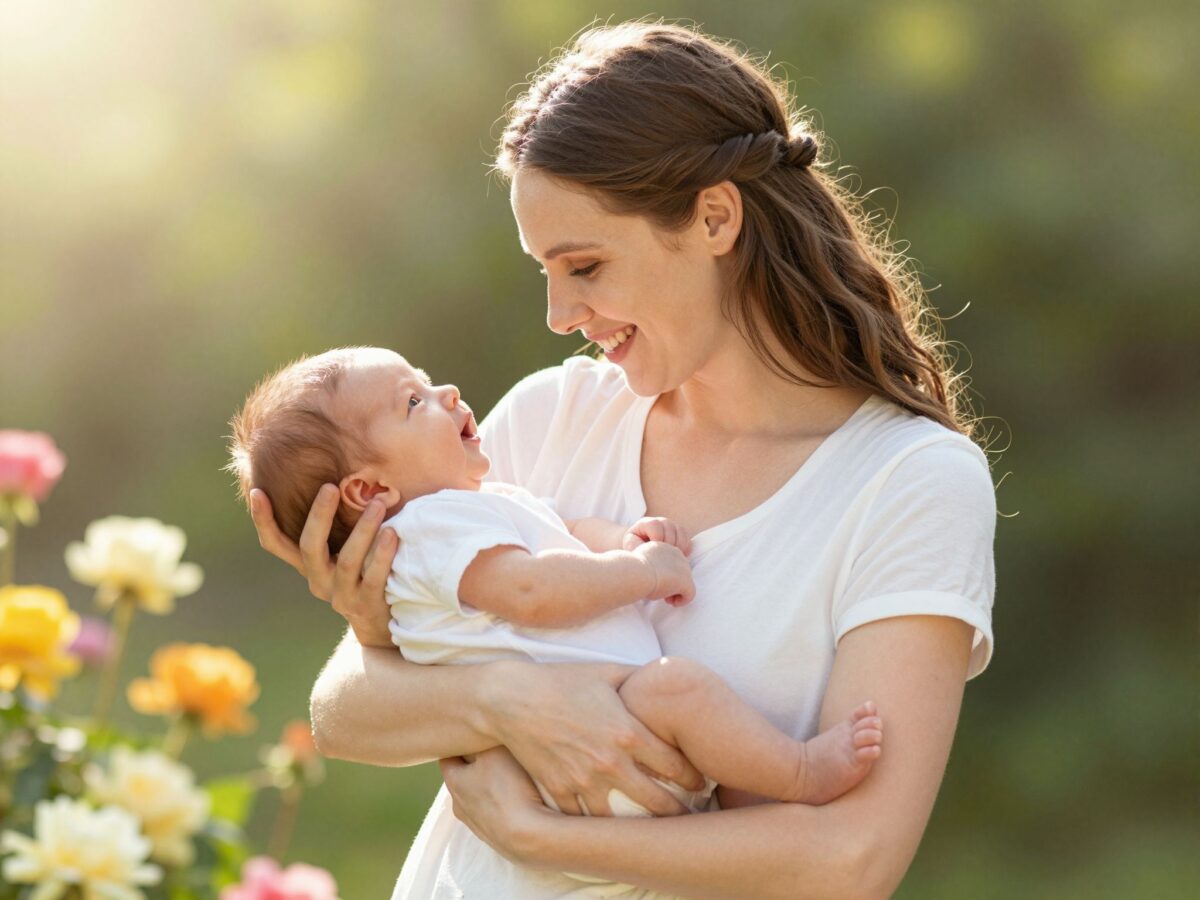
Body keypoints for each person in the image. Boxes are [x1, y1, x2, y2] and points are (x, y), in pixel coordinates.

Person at [249, 21, 996, 899]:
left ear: (716, 217)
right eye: (546, 273)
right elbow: (343, 712)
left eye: (587, 265)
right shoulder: (550, 418)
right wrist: (492, 694)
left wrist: (531, 831)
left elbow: (852, 859)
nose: (561, 314)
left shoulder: (906, 481)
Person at [226, 346, 885, 832]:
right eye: (413, 402)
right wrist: (644, 573)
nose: (448, 392)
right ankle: (801, 771)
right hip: (599, 746)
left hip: (597, 757)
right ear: (372, 491)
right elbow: (535, 589)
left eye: (427, 380)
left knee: (697, 718)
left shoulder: (470, 509)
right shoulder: (429, 531)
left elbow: (561, 534)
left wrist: (622, 540)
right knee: (680, 688)